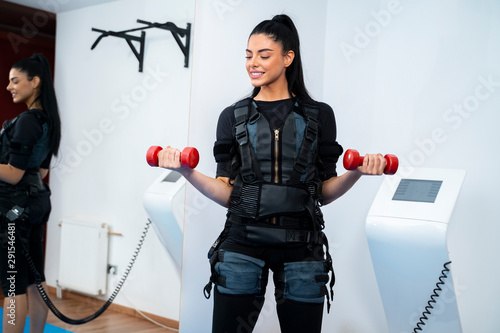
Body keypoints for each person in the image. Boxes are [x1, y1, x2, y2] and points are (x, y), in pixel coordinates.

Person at [157, 14, 387, 333]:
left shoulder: (319, 115)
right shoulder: (232, 117)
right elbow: (227, 190)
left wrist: (357, 172)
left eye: (264, 55)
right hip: (242, 240)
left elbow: (321, 191)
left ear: (287, 57)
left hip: (301, 245)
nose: (254, 63)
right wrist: (186, 171)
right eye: (249, 56)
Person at [1, 53, 61, 333]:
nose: (9, 87)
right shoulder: (49, 120)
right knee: (34, 280)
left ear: (34, 81)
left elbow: (13, 174)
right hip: (36, 205)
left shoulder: (27, 120)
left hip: (14, 209)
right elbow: (41, 172)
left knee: (13, 283)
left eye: (15, 81)